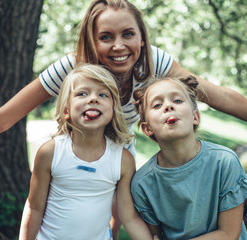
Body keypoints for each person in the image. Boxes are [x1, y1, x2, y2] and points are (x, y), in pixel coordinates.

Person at [0, 0, 247, 148]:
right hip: (77, 154)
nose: (118, 46)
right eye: (106, 37)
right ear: (90, 42)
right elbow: (3, 118)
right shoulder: (72, 68)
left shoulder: (153, 63)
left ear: (141, 38)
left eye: (128, 34)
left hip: (119, 154)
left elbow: (215, 95)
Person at [18, 64, 154, 240]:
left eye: (103, 95)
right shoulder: (50, 152)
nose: (93, 99)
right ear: (66, 110)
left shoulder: (122, 160)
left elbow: (129, 216)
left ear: (113, 110)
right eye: (82, 94)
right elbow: (34, 207)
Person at [131, 75, 247, 240]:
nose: (168, 106)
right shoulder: (142, 184)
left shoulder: (224, 162)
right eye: (157, 105)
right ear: (147, 128)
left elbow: (228, 234)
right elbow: (155, 237)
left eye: (177, 101)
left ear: (195, 117)